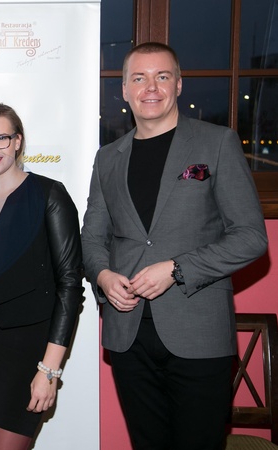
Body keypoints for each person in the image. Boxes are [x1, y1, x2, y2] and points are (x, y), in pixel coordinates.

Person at [81, 42, 268, 450]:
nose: (151, 87)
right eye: (139, 78)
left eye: (162, 76)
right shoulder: (108, 158)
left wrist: (177, 268)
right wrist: (103, 275)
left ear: (179, 85)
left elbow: (251, 237)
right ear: (125, 90)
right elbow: (92, 237)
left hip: (199, 333)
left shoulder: (217, 142)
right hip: (128, 335)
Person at [0, 102, 84, 450]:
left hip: (28, 352)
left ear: (18, 141)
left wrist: (49, 370)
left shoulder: (49, 195)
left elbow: (69, 287)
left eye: (1, 138)